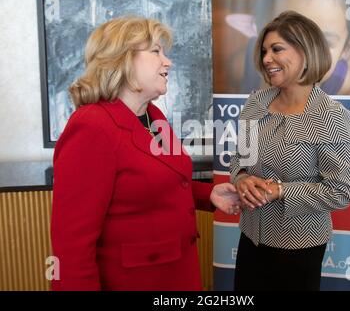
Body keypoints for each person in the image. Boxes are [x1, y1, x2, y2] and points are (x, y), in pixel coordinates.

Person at [51, 16, 241, 291]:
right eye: (156, 51)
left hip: (178, 277)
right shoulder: (91, 127)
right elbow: (71, 246)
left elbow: (165, 182)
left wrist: (207, 194)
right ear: (122, 59)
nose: (168, 62)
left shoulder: (154, 116)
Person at [230, 10, 350, 291]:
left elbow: (340, 191)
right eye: (264, 51)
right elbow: (242, 159)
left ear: (306, 51)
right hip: (251, 238)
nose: (266, 59)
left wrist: (280, 190)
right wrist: (241, 178)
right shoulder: (255, 104)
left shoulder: (330, 116)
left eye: (276, 49)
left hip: (299, 247)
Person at [224, 0, 350, 95]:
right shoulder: (248, 70)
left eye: (325, 42)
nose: (305, 56)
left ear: (347, 47)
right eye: (288, 38)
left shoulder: (341, 81)